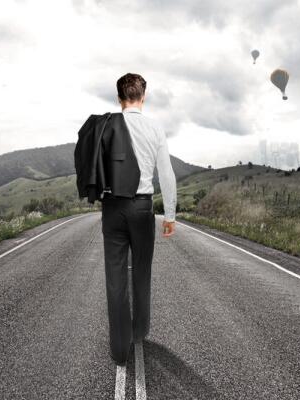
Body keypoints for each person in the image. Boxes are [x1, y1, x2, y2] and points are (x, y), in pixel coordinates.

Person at [101, 73, 177, 365]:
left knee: (115, 277)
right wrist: (170, 214)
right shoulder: (154, 127)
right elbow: (166, 173)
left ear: (119, 98)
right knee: (142, 271)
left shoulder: (107, 126)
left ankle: (119, 349)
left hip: (112, 206)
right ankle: (140, 330)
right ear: (143, 97)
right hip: (143, 208)